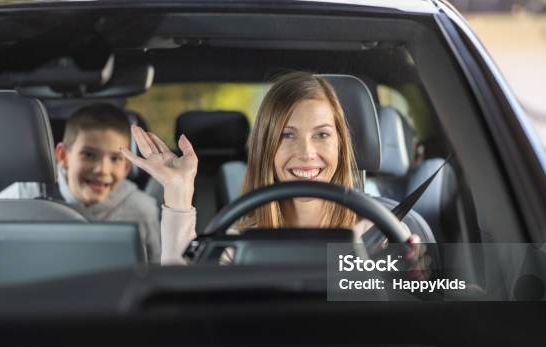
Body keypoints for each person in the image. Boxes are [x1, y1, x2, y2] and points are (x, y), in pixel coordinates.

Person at [121, 71, 405, 265]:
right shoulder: (238, 244)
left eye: (321, 134)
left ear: (341, 144)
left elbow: (428, 310)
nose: (306, 153)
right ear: (266, 147)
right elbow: (181, 305)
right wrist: (178, 192)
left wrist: (415, 279)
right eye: (287, 135)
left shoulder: (383, 233)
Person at [0, 103, 161, 262]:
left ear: (126, 167)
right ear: (62, 156)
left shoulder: (141, 209)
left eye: (115, 158)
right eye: (88, 155)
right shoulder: (22, 198)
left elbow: (156, 269)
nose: (102, 169)